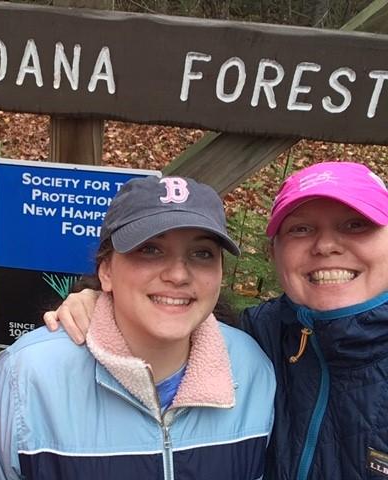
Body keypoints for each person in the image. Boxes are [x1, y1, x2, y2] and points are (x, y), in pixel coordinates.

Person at [46, 161, 388, 480]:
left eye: (356, 225)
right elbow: (180, 316)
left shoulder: (253, 350)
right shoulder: (262, 337)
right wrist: (103, 300)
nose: (326, 245)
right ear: (275, 252)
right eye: (301, 229)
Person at [0, 175, 276, 479]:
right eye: (151, 249)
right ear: (106, 271)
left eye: (202, 253)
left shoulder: (251, 372)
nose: (178, 274)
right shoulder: (26, 378)